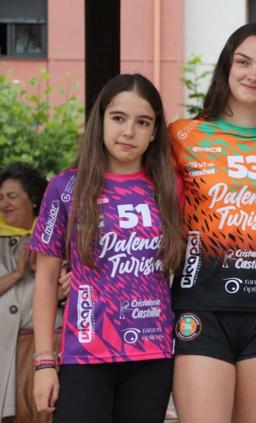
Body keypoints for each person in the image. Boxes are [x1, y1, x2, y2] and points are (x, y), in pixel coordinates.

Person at [30, 73, 185, 422]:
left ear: (155, 131)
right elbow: (45, 278)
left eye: (142, 122)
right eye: (118, 118)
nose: (129, 131)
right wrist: (43, 363)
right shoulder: (66, 187)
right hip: (84, 356)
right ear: (100, 120)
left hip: (152, 357)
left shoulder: (172, 188)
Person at [169, 23, 256, 423]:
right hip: (200, 307)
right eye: (243, 62)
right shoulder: (182, 135)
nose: (252, 75)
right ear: (227, 65)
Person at [0, 163, 67, 423]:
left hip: (47, 346)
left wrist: (47, 275)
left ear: (34, 200)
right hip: (8, 350)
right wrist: (16, 274)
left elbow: (68, 289)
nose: (5, 203)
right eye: (1, 197)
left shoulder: (57, 234)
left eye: (13, 196)